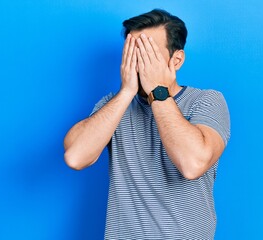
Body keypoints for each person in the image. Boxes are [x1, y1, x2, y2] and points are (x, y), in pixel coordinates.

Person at [64, 9, 230, 239]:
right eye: (133, 52)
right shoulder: (114, 107)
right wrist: (126, 92)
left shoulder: (206, 101)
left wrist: (158, 91)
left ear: (177, 60)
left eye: (148, 53)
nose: (139, 62)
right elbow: (75, 157)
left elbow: (192, 164)